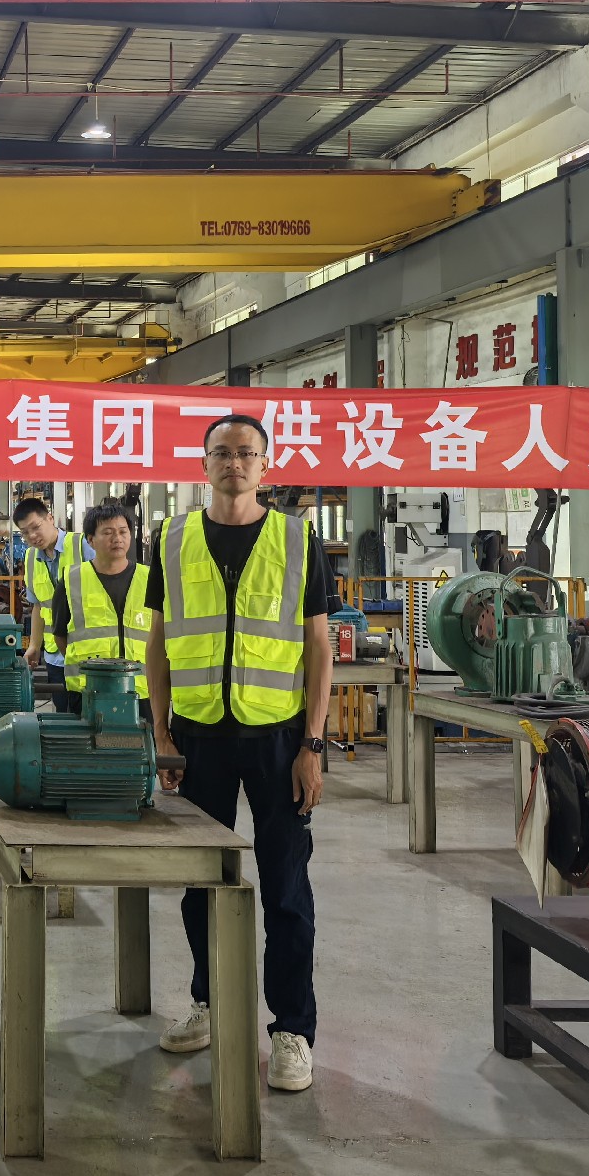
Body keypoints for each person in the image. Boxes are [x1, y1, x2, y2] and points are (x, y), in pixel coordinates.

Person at [144, 414, 333, 1094]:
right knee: (201, 882)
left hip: (279, 738)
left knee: (285, 887)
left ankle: (292, 1031)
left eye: (246, 453)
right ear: (204, 464)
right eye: (221, 453)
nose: (234, 463)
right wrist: (161, 734)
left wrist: (313, 743)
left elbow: (319, 646)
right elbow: (158, 643)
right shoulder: (171, 539)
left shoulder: (297, 539)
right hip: (198, 738)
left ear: (264, 465)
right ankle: (209, 1001)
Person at [53, 503, 153, 701]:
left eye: (123, 531)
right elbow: (60, 635)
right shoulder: (72, 580)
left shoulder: (149, 579)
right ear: (91, 540)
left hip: (141, 691)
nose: (117, 538)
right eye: (108, 533)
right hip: (87, 691)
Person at [15, 496, 84, 714]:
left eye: (36, 527)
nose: (32, 536)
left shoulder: (82, 546)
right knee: (63, 716)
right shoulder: (30, 558)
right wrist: (34, 646)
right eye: (25, 533)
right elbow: (38, 606)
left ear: (50, 518)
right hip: (56, 656)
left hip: (89, 651)